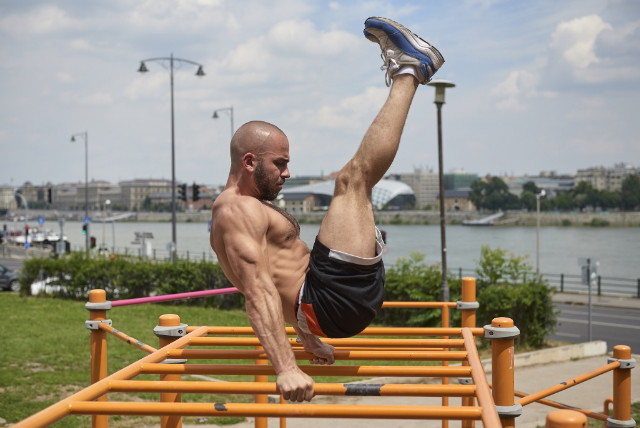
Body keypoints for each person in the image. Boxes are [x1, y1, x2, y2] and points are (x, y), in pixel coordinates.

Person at [210, 17, 444, 403]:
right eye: (280, 164)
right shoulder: (235, 211)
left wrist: (307, 338)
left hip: (326, 302)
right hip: (330, 300)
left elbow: (278, 275)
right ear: (249, 161)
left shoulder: (247, 209)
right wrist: (286, 367)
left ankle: (410, 67)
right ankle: (411, 69)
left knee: (353, 185)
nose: (288, 172)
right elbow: (259, 291)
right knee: (352, 182)